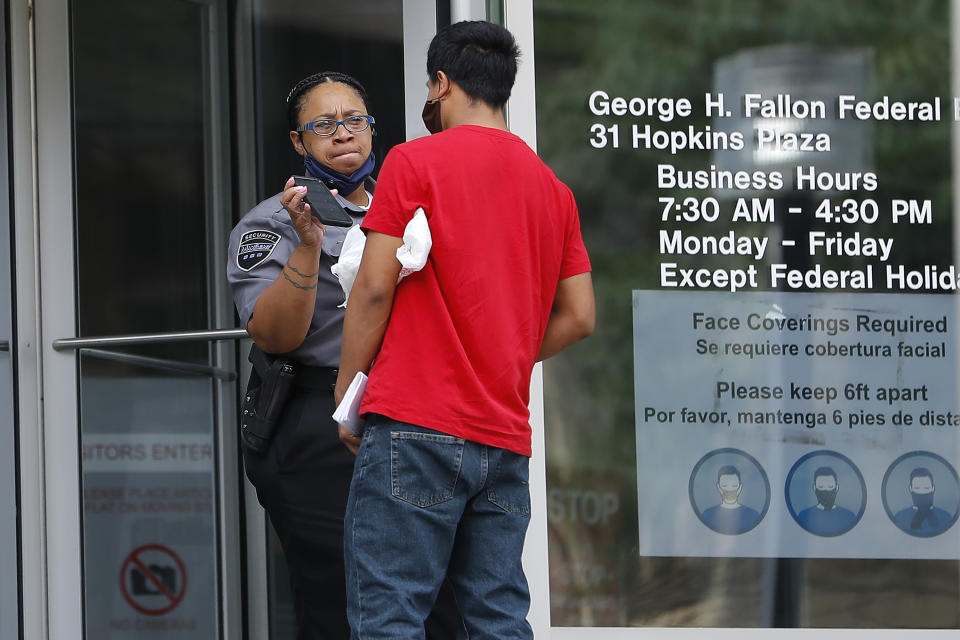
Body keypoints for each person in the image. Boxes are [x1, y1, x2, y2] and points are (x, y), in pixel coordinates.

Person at [334, 20, 596, 639]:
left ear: (442, 83)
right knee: (498, 617)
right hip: (503, 440)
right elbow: (581, 316)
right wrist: (501, 352)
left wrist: (348, 391)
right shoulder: (553, 190)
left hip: (414, 424)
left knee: (390, 613)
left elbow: (373, 286)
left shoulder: (413, 161)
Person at [227, 71, 459, 640]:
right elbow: (275, 336)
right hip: (318, 419)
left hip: (412, 413)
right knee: (338, 596)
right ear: (299, 143)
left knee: (441, 600)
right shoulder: (271, 223)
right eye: (323, 124)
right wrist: (308, 245)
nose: (342, 133)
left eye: (354, 119)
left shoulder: (411, 210)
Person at [795, 466, 859, 536]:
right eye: (821, 487)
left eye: (830, 487)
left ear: (836, 488)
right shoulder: (804, 516)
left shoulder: (849, 516)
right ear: (814, 488)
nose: (826, 491)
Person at [892, 467, 955, 537]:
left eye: (926, 488)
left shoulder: (945, 517)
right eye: (917, 488)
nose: (922, 492)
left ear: (933, 488)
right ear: (910, 488)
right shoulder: (900, 517)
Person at [699, 465, 762, 535]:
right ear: (718, 488)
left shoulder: (753, 516)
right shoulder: (707, 515)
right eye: (725, 486)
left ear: (740, 487)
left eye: (734, 486)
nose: (729, 490)